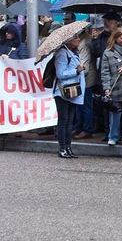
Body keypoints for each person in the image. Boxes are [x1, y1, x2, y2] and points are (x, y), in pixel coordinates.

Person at [46, 31, 84, 159]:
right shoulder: (62, 53)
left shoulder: (74, 53)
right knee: (64, 120)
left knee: (69, 121)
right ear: (68, 40)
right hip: (62, 91)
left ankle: (68, 147)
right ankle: (62, 148)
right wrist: (76, 70)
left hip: (73, 91)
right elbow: (61, 74)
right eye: (76, 37)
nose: (78, 39)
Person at [101, 29, 122, 148]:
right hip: (114, 87)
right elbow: (104, 72)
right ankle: (113, 137)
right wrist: (106, 87)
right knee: (115, 114)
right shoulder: (107, 53)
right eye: (121, 38)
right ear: (115, 38)